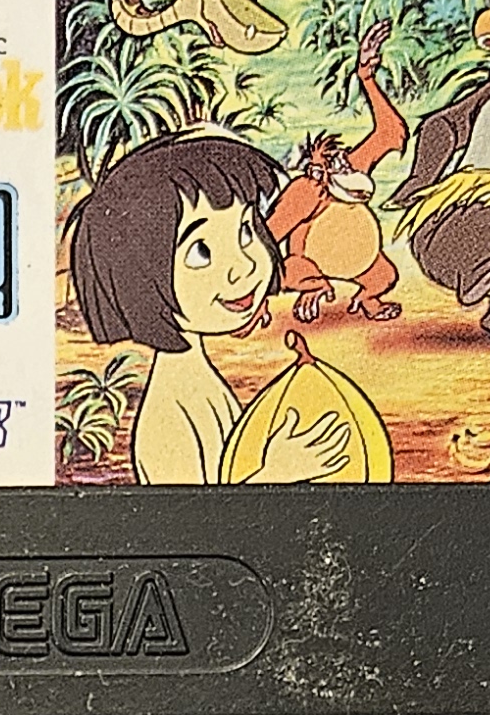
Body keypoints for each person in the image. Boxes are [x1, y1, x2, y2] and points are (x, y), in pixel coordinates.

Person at [65, 130, 389, 485]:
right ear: (138, 279)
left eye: (246, 231)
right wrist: (276, 473)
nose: (245, 266)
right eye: (201, 251)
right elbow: (191, 516)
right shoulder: (167, 419)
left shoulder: (199, 382)